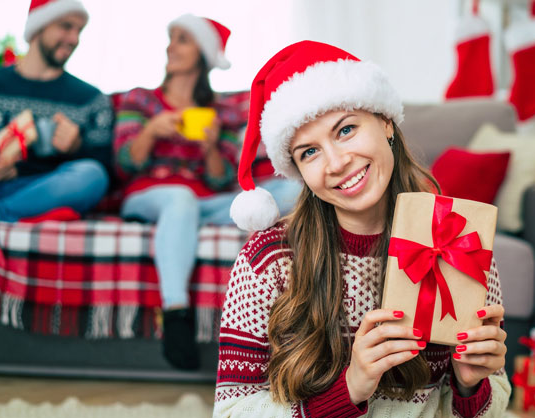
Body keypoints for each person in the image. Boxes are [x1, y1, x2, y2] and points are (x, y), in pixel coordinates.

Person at [214, 40, 510, 417]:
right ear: (298, 170)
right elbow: (231, 411)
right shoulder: (268, 259)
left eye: (346, 130)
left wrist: (470, 384)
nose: (336, 163)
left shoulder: (459, 243)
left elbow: (493, 403)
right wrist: (350, 387)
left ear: (385, 121)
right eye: (310, 151)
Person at [113, 15, 300, 370]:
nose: (171, 45)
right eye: (172, 38)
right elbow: (124, 164)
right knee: (179, 199)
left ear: (202, 53)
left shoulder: (222, 112)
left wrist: (212, 146)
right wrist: (151, 130)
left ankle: (181, 224)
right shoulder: (141, 100)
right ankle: (175, 313)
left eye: (182, 39)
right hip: (149, 195)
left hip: (202, 202)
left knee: (289, 191)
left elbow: (224, 178)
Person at [0, 0, 112, 222]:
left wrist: (77, 147)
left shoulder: (91, 100)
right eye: (66, 26)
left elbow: (106, 173)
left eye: (79, 31)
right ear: (39, 27)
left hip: (45, 190)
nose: (74, 39)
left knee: (92, 175)